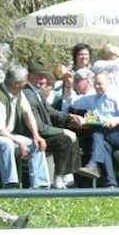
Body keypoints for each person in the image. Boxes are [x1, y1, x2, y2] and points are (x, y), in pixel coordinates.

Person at [0, 66, 49, 188]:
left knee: (35, 144)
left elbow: (28, 114)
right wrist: (19, 142)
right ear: (16, 84)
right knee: (6, 144)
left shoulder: (18, 93)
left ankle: (41, 184)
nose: (26, 84)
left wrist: (36, 135)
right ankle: (10, 183)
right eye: (24, 81)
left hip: (7, 134)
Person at [23, 61, 83, 189]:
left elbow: (51, 111)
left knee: (72, 135)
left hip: (41, 133)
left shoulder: (37, 93)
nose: (43, 80)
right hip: (32, 136)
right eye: (39, 76)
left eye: (44, 77)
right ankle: (59, 178)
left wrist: (69, 116)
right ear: (29, 77)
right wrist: (63, 131)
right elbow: (39, 128)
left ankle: (67, 175)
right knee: (64, 139)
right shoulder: (28, 95)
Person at [72, 72, 119, 187]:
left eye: (100, 84)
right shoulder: (93, 98)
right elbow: (73, 103)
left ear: (108, 83)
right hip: (106, 134)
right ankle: (111, 184)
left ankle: (93, 164)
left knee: (98, 132)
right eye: (95, 84)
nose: (97, 87)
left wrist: (115, 120)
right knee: (103, 144)